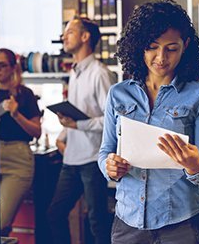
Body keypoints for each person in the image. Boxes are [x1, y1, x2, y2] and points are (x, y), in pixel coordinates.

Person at [98, 0, 199, 244]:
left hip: (181, 224)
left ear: (185, 45)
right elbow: (105, 152)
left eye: (171, 48)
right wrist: (109, 167)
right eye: (152, 47)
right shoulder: (118, 94)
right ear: (139, 46)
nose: (161, 57)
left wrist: (194, 165)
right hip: (127, 222)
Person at [47, 17, 116, 244]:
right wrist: (64, 133)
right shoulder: (74, 72)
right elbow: (81, 111)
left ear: (85, 37)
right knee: (54, 214)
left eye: (70, 32)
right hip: (71, 158)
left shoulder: (100, 74)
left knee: (97, 222)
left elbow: (113, 122)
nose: (63, 37)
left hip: (93, 160)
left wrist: (78, 125)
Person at [0, 48, 42, 235]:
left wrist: (16, 113)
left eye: (2, 65)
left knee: (1, 222)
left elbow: (36, 131)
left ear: (13, 67)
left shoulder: (24, 95)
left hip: (17, 159)